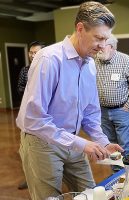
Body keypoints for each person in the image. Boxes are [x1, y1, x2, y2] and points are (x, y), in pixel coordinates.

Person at [16, 2, 123, 200]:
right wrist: (82, 144)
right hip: (42, 144)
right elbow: (33, 119)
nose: (102, 46)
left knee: (93, 194)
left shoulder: (90, 64)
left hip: (72, 141)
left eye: (106, 39)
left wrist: (102, 142)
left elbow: (90, 113)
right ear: (80, 28)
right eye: (98, 38)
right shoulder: (49, 59)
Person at [95, 34, 129, 164]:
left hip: (122, 111)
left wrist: (127, 106)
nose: (99, 49)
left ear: (111, 47)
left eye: (102, 46)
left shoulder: (125, 60)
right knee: (110, 146)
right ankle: (117, 176)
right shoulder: (94, 61)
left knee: (125, 146)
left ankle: (128, 174)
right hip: (103, 112)